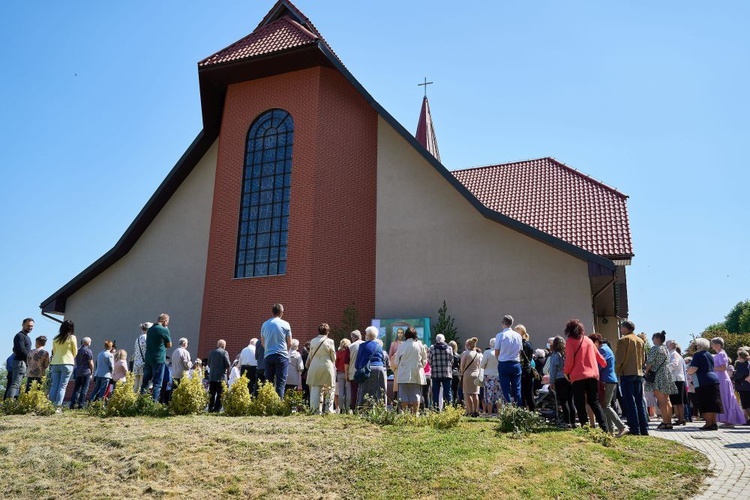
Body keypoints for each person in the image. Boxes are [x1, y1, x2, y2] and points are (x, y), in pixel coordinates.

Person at [563, 320, 608, 432]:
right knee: (594, 402)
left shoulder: (570, 341)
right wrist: (603, 364)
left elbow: (570, 360)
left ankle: (585, 427)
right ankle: (604, 428)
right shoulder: (588, 340)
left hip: (578, 376)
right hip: (592, 376)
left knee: (580, 403)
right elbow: (600, 358)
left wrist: (566, 372)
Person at [615, 320, 649, 436]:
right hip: (638, 373)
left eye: (621, 327)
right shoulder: (640, 340)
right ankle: (644, 428)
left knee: (630, 402)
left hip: (627, 373)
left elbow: (619, 359)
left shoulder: (623, 340)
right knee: (639, 401)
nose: (620, 329)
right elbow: (644, 358)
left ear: (625, 328)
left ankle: (635, 428)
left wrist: (616, 370)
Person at [590, 334, 627, 437]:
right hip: (609, 380)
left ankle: (621, 427)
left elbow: (599, 365)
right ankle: (610, 430)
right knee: (605, 405)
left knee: (605, 405)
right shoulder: (606, 349)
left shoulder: (603, 350)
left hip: (607, 381)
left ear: (597, 342)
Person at [644, 331, 677, 430]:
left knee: (661, 400)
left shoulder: (655, 349)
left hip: (658, 375)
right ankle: (669, 421)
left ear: (657, 339)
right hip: (666, 374)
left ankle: (665, 422)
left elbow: (649, 362)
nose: (652, 340)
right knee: (667, 400)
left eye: (653, 338)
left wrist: (646, 372)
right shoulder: (665, 349)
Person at [710, 337, 746, 426]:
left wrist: (712, 367)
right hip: (720, 378)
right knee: (722, 398)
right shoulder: (719, 354)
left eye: (713, 345)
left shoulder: (722, 354)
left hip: (722, 378)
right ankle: (726, 419)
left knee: (725, 398)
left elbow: (723, 368)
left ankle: (730, 419)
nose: (712, 346)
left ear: (718, 345)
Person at [687, 338, 721, 430]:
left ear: (699, 345)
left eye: (696, 344)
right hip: (713, 379)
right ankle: (713, 423)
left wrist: (688, 371)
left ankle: (709, 423)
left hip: (703, 381)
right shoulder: (709, 354)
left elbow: (693, 368)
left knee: (705, 402)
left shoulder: (697, 355)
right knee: (713, 403)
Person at [261, 303, 292, 398]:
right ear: (281, 312)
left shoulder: (265, 324)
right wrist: (285, 352)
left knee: (268, 382)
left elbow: (263, 342)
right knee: (280, 383)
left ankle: (267, 404)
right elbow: (289, 343)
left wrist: (268, 350)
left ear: (272, 312)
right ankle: (278, 405)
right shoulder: (286, 324)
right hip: (281, 355)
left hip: (268, 355)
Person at [393, 327, 427, 414]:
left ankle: (405, 414)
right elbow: (424, 361)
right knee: (416, 395)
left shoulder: (402, 345)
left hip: (403, 373)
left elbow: (396, 361)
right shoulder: (420, 345)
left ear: (406, 335)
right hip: (416, 372)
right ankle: (415, 415)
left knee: (403, 395)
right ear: (416, 335)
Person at [306, 323, 336, 414]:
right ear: (327, 332)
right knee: (329, 388)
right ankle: (328, 409)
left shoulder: (313, 341)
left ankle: (314, 410)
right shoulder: (330, 341)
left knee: (315, 388)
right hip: (327, 365)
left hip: (314, 365)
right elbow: (333, 356)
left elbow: (310, 355)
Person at [47, 320, 78, 409]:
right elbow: (75, 351)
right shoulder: (72, 337)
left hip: (56, 363)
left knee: (54, 385)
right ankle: (58, 406)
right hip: (67, 362)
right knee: (62, 386)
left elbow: (54, 351)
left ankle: (51, 405)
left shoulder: (56, 338)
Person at [141, 314, 172, 402]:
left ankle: (141, 401)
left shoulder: (150, 329)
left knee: (145, 382)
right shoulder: (164, 330)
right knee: (157, 383)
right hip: (159, 359)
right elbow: (169, 345)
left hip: (148, 358)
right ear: (165, 321)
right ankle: (154, 404)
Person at [355, 326, 388, 407]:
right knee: (378, 391)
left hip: (367, 369)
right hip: (379, 369)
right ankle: (379, 407)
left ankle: (363, 408)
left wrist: (359, 369)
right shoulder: (379, 346)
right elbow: (382, 359)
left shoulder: (362, 345)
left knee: (364, 391)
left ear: (366, 335)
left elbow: (358, 362)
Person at [494, 315, 522, 405]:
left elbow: (497, 351)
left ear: (503, 324)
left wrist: (499, 360)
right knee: (517, 388)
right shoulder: (518, 336)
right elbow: (520, 350)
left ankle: (509, 407)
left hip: (504, 363)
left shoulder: (500, 335)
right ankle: (519, 407)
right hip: (515, 363)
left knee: (505, 389)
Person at [547, 336, 575, 428]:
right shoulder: (567, 353)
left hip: (560, 379)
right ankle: (573, 421)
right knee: (571, 401)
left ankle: (567, 422)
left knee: (564, 401)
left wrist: (551, 382)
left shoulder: (555, 355)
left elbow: (553, 369)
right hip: (569, 378)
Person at [7, 318, 34, 399]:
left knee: (17, 384)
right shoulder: (20, 336)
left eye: (32, 326)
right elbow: (21, 350)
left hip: (23, 363)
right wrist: (30, 359)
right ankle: (9, 403)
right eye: (28, 326)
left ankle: (12, 402)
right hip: (20, 362)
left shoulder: (26, 337)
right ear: (23, 325)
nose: (30, 327)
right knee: (15, 384)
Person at [429, 334, 454, 411]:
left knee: (435, 393)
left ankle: (436, 409)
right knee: (448, 392)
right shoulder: (449, 348)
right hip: (447, 373)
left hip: (436, 373)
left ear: (436, 340)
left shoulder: (432, 348)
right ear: (444, 339)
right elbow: (451, 360)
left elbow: (429, 360)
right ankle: (449, 409)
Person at [666, 340, 687, 425]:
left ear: (670, 345)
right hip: (678, 379)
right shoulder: (676, 354)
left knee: (678, 401)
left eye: (667, 344)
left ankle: (681, 418)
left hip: (676, 379)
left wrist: (665, 369)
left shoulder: (673, 354)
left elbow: (674, 364)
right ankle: (680, 418)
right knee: (678, 401)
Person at [459, 337, 482, 416]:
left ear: (468, 345)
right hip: (476, 374)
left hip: (467, 374)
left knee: (467, 393)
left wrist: (461, 373)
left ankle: (470, 411)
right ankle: (476, 410)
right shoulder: (478, 354)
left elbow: (462, 366)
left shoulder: (465, 353)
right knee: (475, 393)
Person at [515, 325, 536, 410]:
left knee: (522, 393)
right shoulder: (529, 344)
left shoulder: (520, 345)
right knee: (530, 393)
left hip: (522, 370)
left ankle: (523, 411)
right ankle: (532, 411)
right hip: (529, 370)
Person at [70, 337, 94, 409]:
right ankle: (81, 404)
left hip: (78, 371)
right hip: (86, 371)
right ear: (87, 343)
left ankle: (73, 404)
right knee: (84, 389)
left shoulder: (77, 350)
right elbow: (91, 363)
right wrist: (92, 372)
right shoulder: (88, 351)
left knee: (76, 388)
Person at [207, 339, 231, 412]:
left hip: (212, 376)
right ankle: (216, 409)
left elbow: (209, 364)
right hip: (221, 377)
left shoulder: (211, 353)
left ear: (218, 345)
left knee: (211, 393)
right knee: (220, 394)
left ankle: (210, 408)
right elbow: (228, 364)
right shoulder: (224, 352)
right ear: (223, 345)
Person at [480, 338, 499, 414]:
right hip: (498, 375)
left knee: (489, 394)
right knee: (498, 394)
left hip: (488, 375)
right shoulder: (500, 352)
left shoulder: (487, 352)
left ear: (490, 344)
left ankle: (489, 413)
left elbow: (482, 364)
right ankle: (499, 413)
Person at [732, 347, 750, 425]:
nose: (738, 358)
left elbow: (738, 375)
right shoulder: (746, 364)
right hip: (745, 386)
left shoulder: (743, 365)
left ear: (742, 357)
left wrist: (732, 376)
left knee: (746, 404)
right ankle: (747, 420)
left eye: (739, 356)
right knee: (746, 404)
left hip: (744, 387)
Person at [132, 322, 152, 392]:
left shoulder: (137, 339)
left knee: (136, 385)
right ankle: (140, 400)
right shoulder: (147, 338)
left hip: (136, 363)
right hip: (144, 363)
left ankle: (133, 400)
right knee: (142, 384)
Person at [348, 330, 363, 411]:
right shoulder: (365, 344)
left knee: (354, 391)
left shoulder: (350, 346)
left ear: (353, 338)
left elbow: (347, 362)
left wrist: (347, 374)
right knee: (363, 390)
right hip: (364, 372)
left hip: (353, 372)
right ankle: (362, 408)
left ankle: (354, 409)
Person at [335, 338, 351, 413]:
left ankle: (341, 408)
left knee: (341, 391)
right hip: (348, 372)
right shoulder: (349, 352)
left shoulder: (338, 352)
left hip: (340, 373)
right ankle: (348, 408)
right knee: (348, 391)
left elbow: (336, 364)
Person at [389, 328, 405, 401]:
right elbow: (390, 355)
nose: (400, 334)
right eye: (398, 332)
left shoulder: (405, 343)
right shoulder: (393, 343)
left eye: (402, 332)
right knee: (396, 388)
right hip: (396, 367)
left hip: (405, 368)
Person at [449, 340, 461, 405]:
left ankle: (449, 404)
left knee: (449, 390)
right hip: (456, 374)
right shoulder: (458, 356)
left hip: (449, 373)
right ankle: (455, 404)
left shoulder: (447, 355)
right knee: (456, 391)